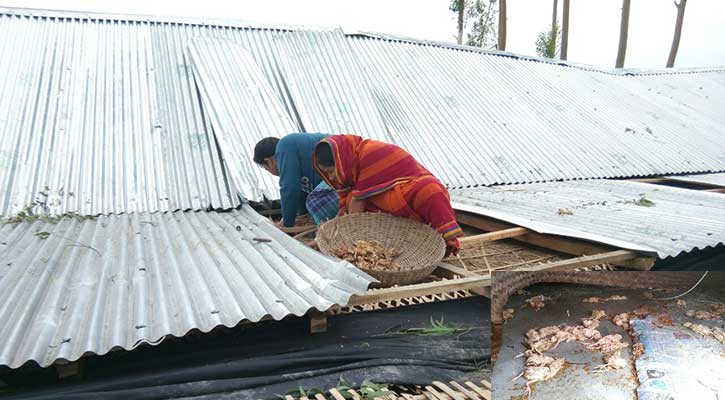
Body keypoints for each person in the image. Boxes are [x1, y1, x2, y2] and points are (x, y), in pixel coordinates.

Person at [312, 134, 464, 255]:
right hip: (389, 197)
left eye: (331, 171)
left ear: (340, 162)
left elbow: (358, 203)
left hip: (408, 187)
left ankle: (447, 241)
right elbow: (346, 211)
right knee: (351, 199)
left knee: (429, 190)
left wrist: (353, 238)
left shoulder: (368, 152)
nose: (331, 178)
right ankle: (389, 239)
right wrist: (325, 237)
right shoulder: (352, 170)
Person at [253, 134, 338, 228]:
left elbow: (290, 190)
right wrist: (302, 215)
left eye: (266, 168)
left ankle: (330, 230)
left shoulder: (284, 147)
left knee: (315, 201)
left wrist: (286, 224)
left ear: (269, 161)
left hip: (345, 166)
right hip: (340, 172)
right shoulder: (295, 155)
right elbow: (301, 195)